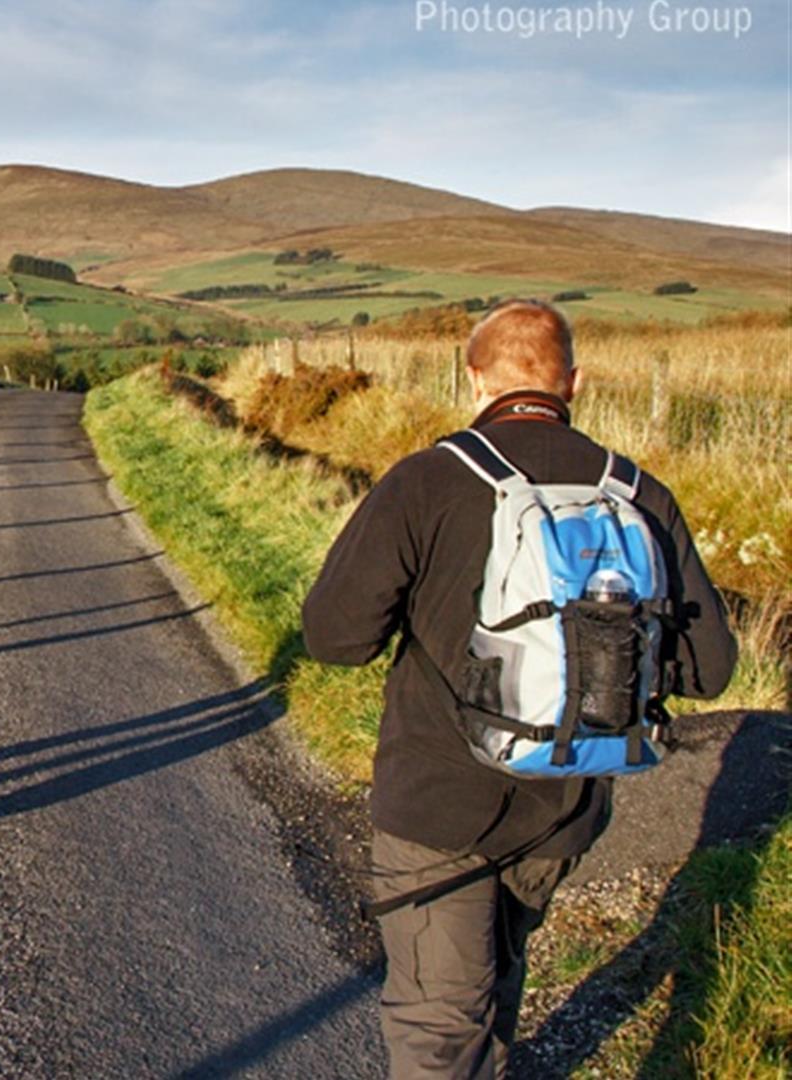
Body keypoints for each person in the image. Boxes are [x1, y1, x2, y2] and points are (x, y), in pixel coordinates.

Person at [301, 300, 735, 1078]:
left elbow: (334, 638)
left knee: (440, 1028)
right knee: (493, 995)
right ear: (575, 381)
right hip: (563, 806)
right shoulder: (638, 494)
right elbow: (712, 671)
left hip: (437, 808)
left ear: (474, 379)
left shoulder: (428, 480)